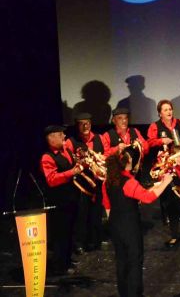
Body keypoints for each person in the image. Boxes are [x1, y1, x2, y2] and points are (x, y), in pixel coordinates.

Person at [102, 151, 172, 297]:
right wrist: (165, 182)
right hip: (129, 225)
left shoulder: (108, 181)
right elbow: (147, 198)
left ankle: (125, 293)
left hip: (115, 224)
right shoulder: (128, 182)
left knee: (121, 260)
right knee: (134, 260)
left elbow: (108, 205)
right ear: (128, 164)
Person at [40, 125, 82, 275]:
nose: (64, 136)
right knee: (60, 234)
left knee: (70, 230)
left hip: (71, 198)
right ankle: (60, 266)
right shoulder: (47, 157)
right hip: (58, 202)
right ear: (51, 138)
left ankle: (68, 259)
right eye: (60, 134)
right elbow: (51, 180)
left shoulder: (66, 151)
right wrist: (72, 172)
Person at [65, 112, 107, 253]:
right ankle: (79, 243)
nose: (85, 126)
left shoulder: (99, 138)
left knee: (96, 212)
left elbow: (106, 154)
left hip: (97, 182)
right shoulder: (71, 141)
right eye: (82, 123)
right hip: (81, 184)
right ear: (77, 125)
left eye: (87, 123)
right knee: (81, 214)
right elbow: (68, 160)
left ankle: (95, 240)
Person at [102, 108, 149, 172]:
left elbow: (146, 148)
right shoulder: (107, 135)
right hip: (117, 174)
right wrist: (117, 149)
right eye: (120, 118)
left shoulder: (134, 131)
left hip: (134, 172)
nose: (124, 121)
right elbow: (104, 156)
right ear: (113, 120)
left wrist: (140, 145)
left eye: (126, 118)